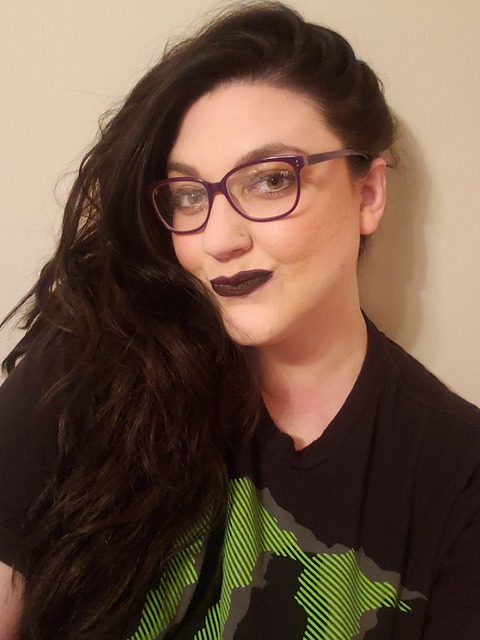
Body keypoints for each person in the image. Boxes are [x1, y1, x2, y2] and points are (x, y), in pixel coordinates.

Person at [1, 2, 480, 638]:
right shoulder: (91, 363)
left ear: (368, 194)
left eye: (270, 181)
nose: (219, 240)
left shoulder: (456, 474)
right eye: (188, 194)